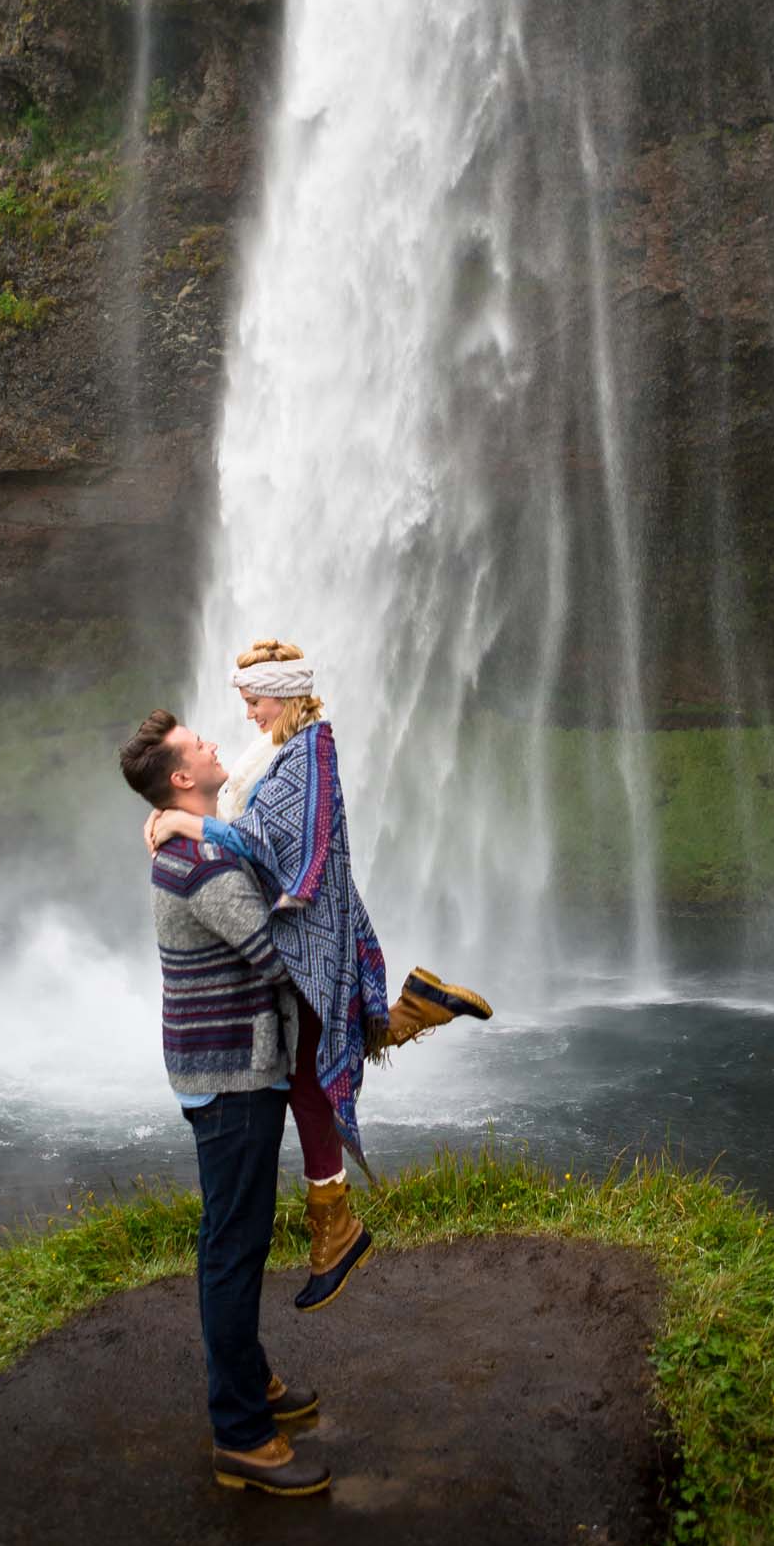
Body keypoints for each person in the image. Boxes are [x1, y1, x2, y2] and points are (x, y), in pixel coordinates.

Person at [145, 639, 492, 1310]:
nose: (246, 713)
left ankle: (336, 1231)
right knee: (318, 1059)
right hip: (303, 929)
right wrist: (185, 822)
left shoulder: (310, 753)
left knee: (308, 1078)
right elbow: (250, 825)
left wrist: (193, 824)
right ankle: (418, 1008)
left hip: (309, 934)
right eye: (243, 702)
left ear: (289, 694)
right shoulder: (276, 751)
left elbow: (279, 847)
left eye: (254, 701)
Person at [118, 708, 331, 1497]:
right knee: (233, 1248)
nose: (215, 745)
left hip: (230, 1065)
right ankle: (240, 1434)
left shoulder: (200, 838)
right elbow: (275, 956)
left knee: (232, 1236)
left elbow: (249, 827)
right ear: (179, 777)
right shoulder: (198, 863)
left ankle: (254, 1383)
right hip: (233, 1075)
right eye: (198, 746)